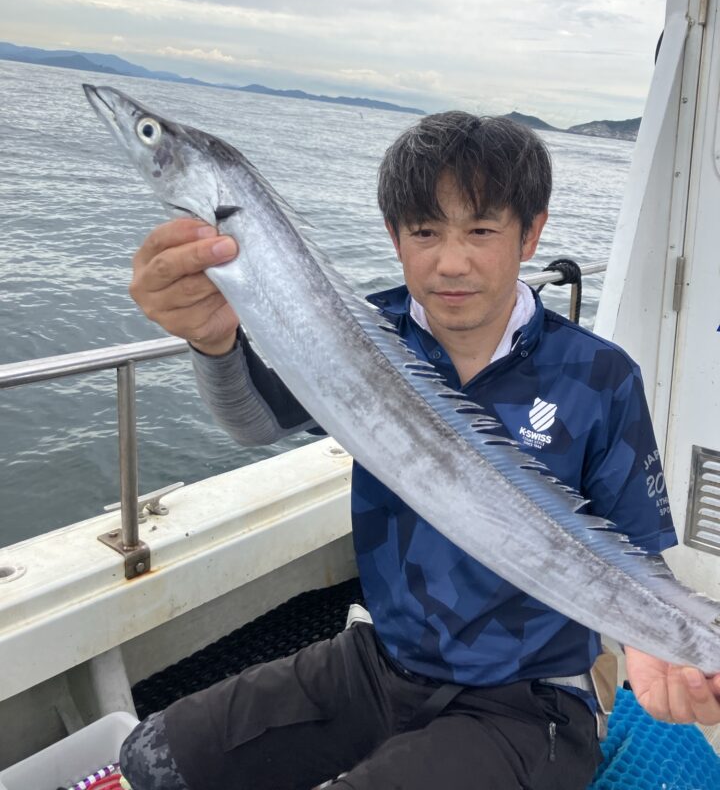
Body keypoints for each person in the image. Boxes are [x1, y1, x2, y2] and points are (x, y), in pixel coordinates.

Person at [119, 113, 720, 790]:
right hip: (382, 662)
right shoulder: (356, 331)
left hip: (529, 701)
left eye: (482, 231)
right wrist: (213, 341)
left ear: (532, 233)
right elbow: (255, 421)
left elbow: (635, 553)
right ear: (395, 238)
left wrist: (662, 637)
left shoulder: (599, 376)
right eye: (425, 232)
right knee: (153, 758)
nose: (451, 261)